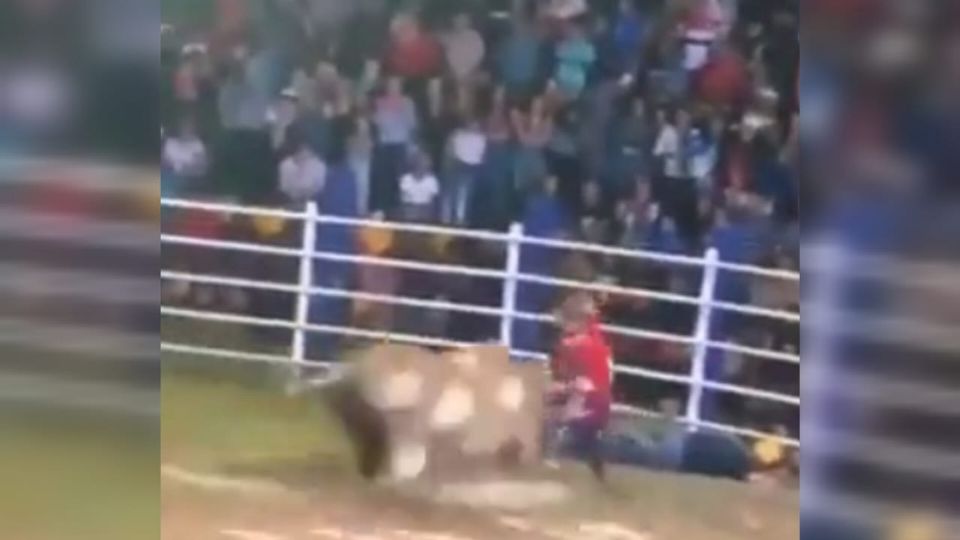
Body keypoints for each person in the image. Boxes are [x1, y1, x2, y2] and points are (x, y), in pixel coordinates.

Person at [546, 291, 614, 480]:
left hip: (592, 397)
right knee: (580, 431)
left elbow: (578, 383)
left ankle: (559, 455)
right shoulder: (593, 332)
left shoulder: (574, 345)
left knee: (573, 426)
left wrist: (563, 388)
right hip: (596, 394)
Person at [371, 77, 418, 214]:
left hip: (400, 146)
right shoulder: (380, 103)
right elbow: (377, 123)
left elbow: (411, 125)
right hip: (384, 147)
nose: (393, 88)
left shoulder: (407, 103)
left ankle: (400, 213)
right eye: (391, 85)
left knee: (400, 183)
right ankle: (383, 212)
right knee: (383, 183)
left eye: (396, 84)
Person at [443, 116, 487, 226]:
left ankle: (460, 219)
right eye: (471, 122)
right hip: (457, 165)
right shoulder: (457, 134)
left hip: (473, 168)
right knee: (451, 191)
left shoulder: (481, 137)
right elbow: (449, 150)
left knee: (464, 192)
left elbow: (482, 156)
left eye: (475, 122)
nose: (472, 125)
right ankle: (447, 219)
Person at [162, 116, 209, 195]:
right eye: (185, 127)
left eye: (190, 128)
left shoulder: (197, 145)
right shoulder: (170, 142)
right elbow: (163, 161)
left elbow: (201, 167)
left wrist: (182, 169)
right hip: (169, 175)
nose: (187, 130)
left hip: (188, 177)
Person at [278, 134, 326, 206]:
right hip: (290, 205)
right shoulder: (285, 165)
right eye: (298, 152)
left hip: (314, 206)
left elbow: (321, 189)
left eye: (304, 150)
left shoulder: (320, 166)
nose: (302, 155)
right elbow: (284, 189)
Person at [399, 153, 440, 223]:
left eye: (425, 165)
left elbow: (433, 202)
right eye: (420, 164)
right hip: (410, 209)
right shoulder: (406, 179)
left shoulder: (432, 180)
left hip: (425, 210)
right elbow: (403, 200)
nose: (422, 168)